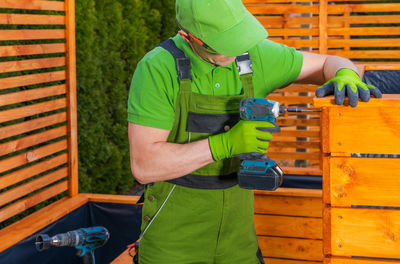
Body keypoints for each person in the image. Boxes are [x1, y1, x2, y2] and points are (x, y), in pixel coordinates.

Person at [127, 0, 382, 263]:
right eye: (225, 45)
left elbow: (329, 62)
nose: (237, 50)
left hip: (237, 241)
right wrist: (225, 144)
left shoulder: (253, 56)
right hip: (172, 241)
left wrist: (345, 74)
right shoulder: (157, 68)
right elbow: (145, 166)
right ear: (188, 37)